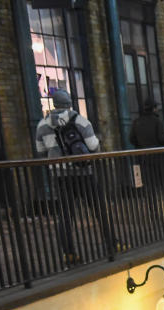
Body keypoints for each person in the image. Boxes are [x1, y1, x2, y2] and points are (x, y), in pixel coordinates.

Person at [34, 88, 114, 262]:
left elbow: (40, 152)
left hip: (59, 176)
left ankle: (69, 253)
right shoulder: (80, 121)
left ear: (54, 104)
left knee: (65, 215)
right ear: (69, 103)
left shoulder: (42, 125)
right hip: (84, 173)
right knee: (99, 209)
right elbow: (93, 146)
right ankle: (112, 243)